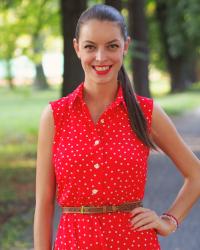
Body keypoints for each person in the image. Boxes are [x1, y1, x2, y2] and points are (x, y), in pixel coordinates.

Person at [33, 4, 200, 250]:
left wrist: (169, 221)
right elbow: (44, 203)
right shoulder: (55, 115)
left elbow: (195, 174)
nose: (101, 57)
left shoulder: (146, 113)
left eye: (112, 46)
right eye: (90, 47)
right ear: (77, 48)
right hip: (74, 243)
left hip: (133, 243)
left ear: (126, 46)